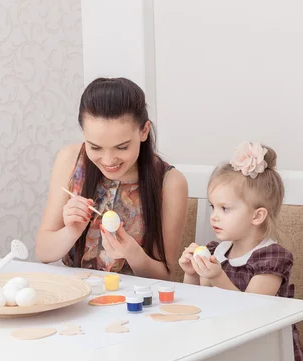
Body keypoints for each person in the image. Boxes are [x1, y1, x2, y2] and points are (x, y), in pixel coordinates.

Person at [179, 141, 303, 361]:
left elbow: (251, 312)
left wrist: (216, 277)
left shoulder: (272, 258)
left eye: (225, 209)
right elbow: (193, 305)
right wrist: (191, 274)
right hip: (221, 349)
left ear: (257, 216)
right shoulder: (216, 249)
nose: (214, 216)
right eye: (213, 207)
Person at [35, 77, 188, 279]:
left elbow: (165, 276)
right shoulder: (70, 159)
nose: (108, 160)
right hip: (75, 295)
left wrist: (133, 254)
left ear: (144, 131)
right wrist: (71, 231)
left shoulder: (170, 182)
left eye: (122, 147)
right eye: (95, 147)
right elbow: (43, 252)